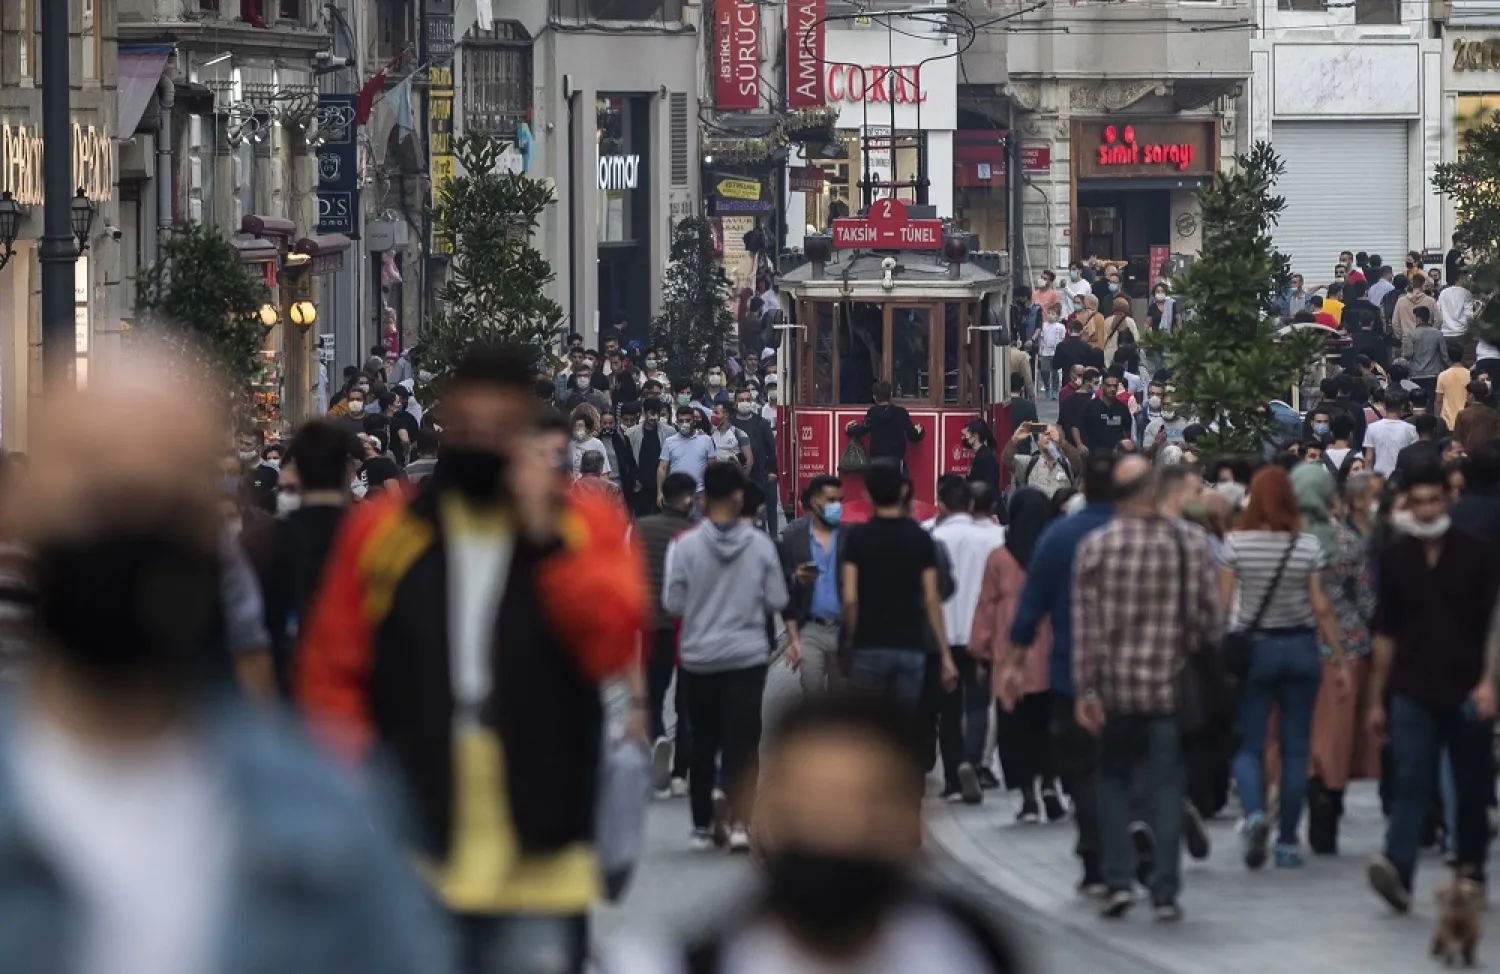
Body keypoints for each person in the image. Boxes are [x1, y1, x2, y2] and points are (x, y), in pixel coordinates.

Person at [6, 356, 445, 974]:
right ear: (26, 510)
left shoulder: (331, 826)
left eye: (162, 495)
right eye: (99, 492)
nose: (130, 525)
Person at [298, 341, 647, 974]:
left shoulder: (581, 526)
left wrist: (544, 542)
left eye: (502, 425)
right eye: (472, 423)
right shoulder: (387, 531)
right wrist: (356, 786)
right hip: (416, 842)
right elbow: (332, 672)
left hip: (540, 850)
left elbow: (609, 643)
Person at [604, 694, 1024, 974]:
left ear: (918, 819)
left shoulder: (970, 953)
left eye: (869, 805)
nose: (838, 832)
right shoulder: (660, 963)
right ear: (756, 808)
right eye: (810, 805)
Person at [1071, 457, 1221, 920]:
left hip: (1116, 690)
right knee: (1167, 784)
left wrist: (1086, 690)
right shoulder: (1190, 543)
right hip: (1170, 688)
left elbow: (1086, 629)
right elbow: (1208, 623)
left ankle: (1117, 880)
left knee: (1112, 781)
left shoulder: (1097, 546)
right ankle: (1164, 889)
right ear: (1154, 491)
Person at [1366, 459, 1500, 912]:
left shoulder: (1477, 554)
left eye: (1434, 501)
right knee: (1409, 777)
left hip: (1467, 686)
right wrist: (1376, 700)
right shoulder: (1396, 557)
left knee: (1470, 783)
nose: (1426, 511)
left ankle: (1470, 868)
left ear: (1448, 500)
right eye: (1418, 502)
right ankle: (1398, 868)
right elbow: (1384, 634)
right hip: (1411, 685)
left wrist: (1489, 683)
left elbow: (1492, 627)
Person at [1220, 465, 1351, 870]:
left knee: (1249, 743)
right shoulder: (1307, 545)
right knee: (1296, 749)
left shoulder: (1235, 544)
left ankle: (1256, 813)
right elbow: (1321, 606)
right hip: (1300, 648)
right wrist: (1339, 658)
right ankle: (1289, 842)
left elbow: (1222, 606)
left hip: (1254, 650)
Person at [1000, 454, 1117, 894]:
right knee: (1130, 762)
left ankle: (1094, 858)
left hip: (1075, 672)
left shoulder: (1061, 535)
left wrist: (1012, 662)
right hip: (1141, 675)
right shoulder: (1149, 533)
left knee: (1086, 768)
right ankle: (1142, 844)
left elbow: (1030, 608)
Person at [663, 461, 788, 852]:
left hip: (699, 656)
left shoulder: (683, 546)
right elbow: (779, 600)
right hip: (747, 655)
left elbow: (672, 602)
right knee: (743, 739)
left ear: (703, 499)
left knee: (703, 738)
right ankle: (739, 822)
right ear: (739, 498)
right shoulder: (761, 545)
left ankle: (702, 824)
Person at [1291, 463, 1378, 856]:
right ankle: (1330, 801)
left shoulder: (1285, 539)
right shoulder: (1347, 541)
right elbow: (1365, 599)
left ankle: (1306, 784)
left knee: (1300, 728)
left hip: (1293, 643)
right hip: (1347, 647)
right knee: (1339, 736)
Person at [841, 460, 957, 707]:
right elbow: (931, 597)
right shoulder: (921, 539)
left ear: (867, 495)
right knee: (903, 730)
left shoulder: (855, 539)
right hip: (910, 645)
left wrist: (851, 640)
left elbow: (850, 597)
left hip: (868, 645)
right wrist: (945, 653)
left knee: (869, 730)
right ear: (904, 492)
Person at [932, 477, 1006, 805]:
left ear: (941, 503)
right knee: (978, 703)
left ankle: (951, 778)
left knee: (947, 709)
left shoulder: (932, 536)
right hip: (980, 633)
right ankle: (972, 763)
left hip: (941, 635)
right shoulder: (992, 540)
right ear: (973, 506)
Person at [781, 475, 846, 695]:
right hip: (810, 629)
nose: (837, 506)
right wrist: (793, 638)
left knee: (840, 698)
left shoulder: (850, 537)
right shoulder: (794, 538)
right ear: (816, 502)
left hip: (842, 629)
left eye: (840, 500)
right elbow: (785, 590)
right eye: (831, 500)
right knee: (812, 692)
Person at [846, 382, 924, 471]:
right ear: (890, 395)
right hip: (895, 461)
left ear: (874, 397)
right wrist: (918, 430)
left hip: (877, 461)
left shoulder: (873, 413)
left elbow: (861, 431)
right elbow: (913, 435)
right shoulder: (900, 412)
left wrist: (851, 428)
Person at [732, 386, 779, 532]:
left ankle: (771, 539)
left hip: (762, 474)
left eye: (747, 399)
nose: (745, 402)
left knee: (767, 510)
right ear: (735, 403)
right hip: (740, 475)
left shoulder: (762, 423)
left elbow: (772, 449)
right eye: (741, 400)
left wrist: (772, 471)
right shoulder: (732, 425)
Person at [1001, 422, 1078, 498]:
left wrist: (1063, 443)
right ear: (1038, 442)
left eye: (1052, 435)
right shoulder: (1029, 463)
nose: (1049, 437)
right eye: (1045, 434)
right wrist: (1015, 439)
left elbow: (1078, 462)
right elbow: (1007, 460)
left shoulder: (1066, 464)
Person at [659, 404, 718, 503]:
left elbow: (712, 468)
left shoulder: (706, 440)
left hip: (699, 493)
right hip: (676, 493)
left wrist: (710, 492)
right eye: (681, 421)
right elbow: (662, 468)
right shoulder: (669, 442)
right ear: (676, 422)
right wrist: (660, 493)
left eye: (688, 420)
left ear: (694, 421)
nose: (684, 424)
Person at [1362, 388, 1419, 476]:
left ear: (1384, 406)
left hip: (1379, 476)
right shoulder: (1411, 429)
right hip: (1402, 476)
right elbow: (1413, 457)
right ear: (1402, 407)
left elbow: (1369, 459)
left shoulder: (1372, 428)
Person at [1401, 306, 1449, 401]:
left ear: (1418, 319)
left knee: (1418, 401)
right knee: (1432, 400)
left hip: (1416, 374)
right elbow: (1444, 356)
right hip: (1434, 374)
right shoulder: (1438, 334)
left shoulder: (1412, 334)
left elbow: (1408, 354)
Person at [1081, 371, 1133, 454]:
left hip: (1117, 454)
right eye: (1109, 386)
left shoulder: (1122, 408)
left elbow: (1128, 430)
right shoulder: (1090, 406)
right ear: (1102, 387)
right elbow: (1080, 427)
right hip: (1095, 454)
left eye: (1115, 386)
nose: (1112, 389)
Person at [963, 419, 1001, 498]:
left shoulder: (986, 457)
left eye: (965, 435)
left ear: (975, 436)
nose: (963, 438)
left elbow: (991, 488)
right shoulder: (980, 455)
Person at [1037, 305, 1067, 399]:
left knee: (1055, 372)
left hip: (1056, 353)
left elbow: (1063, 339)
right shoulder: (1044, 325)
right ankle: (1047, 386)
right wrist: (1040, 349)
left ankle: (1055, 389)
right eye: (1049, 313)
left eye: (1053, 314)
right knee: (1044, 370)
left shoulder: (1061, 327)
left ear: (1058, 316)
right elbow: (1041, 338)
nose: (1050, 315)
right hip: (1046, 352)